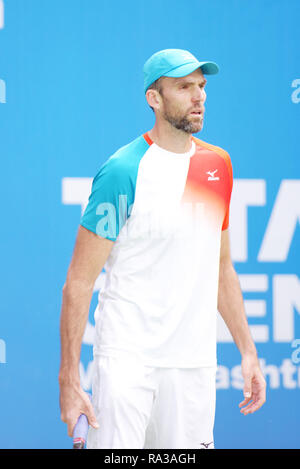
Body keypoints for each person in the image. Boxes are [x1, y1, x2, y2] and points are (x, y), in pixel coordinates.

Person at [59, 48, 266, 449]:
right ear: (154, 98)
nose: (199, 96)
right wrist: (69, 381)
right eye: (184, 87)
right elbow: (78, 283)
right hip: (126, 361)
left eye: (201, 86)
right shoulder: (123, 170)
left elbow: (221, 267)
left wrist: (248, 351)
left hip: (194, 366)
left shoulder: (217, 165)